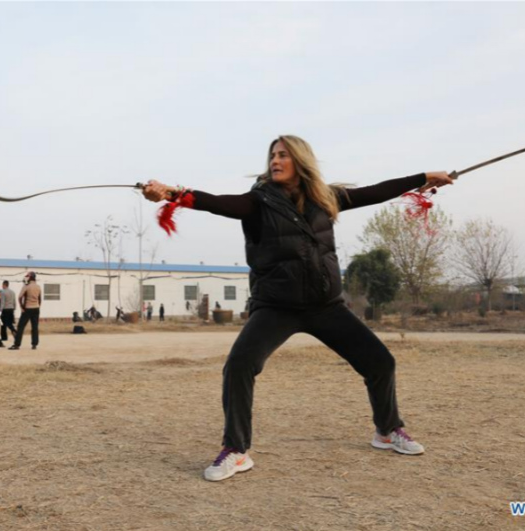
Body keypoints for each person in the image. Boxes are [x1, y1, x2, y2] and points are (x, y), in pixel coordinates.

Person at [142, 135, 453, 482]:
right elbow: (215, 202)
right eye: (273, 155)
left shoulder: (326, 199)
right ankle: (236, 450)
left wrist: (425, 177)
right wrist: (171, 193)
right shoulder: (257, 202)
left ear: (300, 161)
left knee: (381, 362)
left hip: (326, 306)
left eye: (283, 156)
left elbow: (376, 190)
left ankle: (387, 430)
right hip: (277, 307)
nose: (275, 161)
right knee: (239, 366)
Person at [9, 271, 42, 350]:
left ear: (30, 277)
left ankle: (17, 344)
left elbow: (20, 297)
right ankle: (34, 344)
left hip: (27, 309)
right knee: (35, 327)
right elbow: (40, 298)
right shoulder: (38, 287)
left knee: (20, 326)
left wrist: (22, 307)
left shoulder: (26, 286)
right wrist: (38, 306)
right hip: (36, 308)